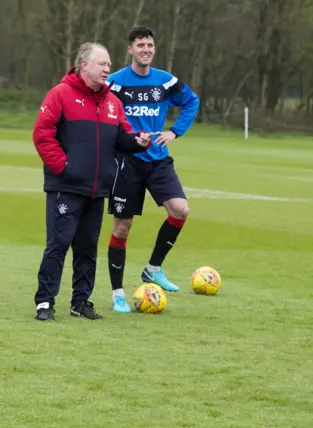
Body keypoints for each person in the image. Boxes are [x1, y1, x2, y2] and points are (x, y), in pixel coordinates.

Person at [33, 42, 151, 322]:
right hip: (65, 187)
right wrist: (64, 166)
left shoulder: (113, 103)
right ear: (84, 65)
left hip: (97, 190)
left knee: (87, 248)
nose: (108, 69)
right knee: (58, 245)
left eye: (109, 64)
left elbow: (123, 136)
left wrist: (138, 142)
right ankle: (44, 302)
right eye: (103, 64)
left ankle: (81, 301)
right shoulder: (59, 95)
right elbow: (42, 135)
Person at [104, 26, 200, 313]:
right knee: (122, 227)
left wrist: (174, 131)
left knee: (180, 210)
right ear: (130, 50)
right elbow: (100, 109)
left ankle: (153, 268)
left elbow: (191, 102)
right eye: (140, 45)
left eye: (150, 45)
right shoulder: (116, 83)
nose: (146, 49)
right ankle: (118, 293)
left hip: (158, 160)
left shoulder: (165, 81)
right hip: (127, 162)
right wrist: (122, 138)